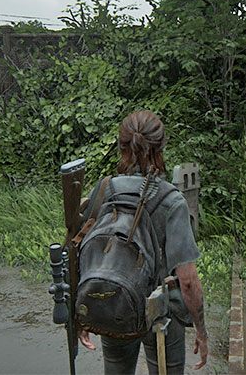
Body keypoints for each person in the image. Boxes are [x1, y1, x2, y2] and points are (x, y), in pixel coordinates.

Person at [78, 110, 209, 374]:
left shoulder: (104, 189)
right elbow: (187, 280)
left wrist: (82, 313)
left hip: (116, 304)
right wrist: (201, 329)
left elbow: (84, 252)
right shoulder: (171, 201)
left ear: (122, 147)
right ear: (161, 147)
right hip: (162, 313)